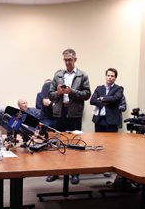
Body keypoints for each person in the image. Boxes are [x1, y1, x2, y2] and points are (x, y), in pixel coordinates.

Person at [47, 48, 91, 184]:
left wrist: (72, 92)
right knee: (57, 142)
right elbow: (50, 95)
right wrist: (59, 93)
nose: (67, 62)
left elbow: (87, 94)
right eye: (65, 60)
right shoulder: (58, 75)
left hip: (74, 113)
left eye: (70, 60)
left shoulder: (82, 75)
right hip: (60, 112)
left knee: (75, 142)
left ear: (75, 60)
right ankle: (56, 171)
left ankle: (74, 173)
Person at [90, 68, 124, 132]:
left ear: (115, 77)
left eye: (112, 76)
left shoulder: (119, 88)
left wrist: (102, 98)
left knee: (111, 141)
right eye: (108, 75)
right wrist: (104, 102)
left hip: (112, 121)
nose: (110, 77)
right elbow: (92, 100)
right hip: (99, 120)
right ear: (106, 76)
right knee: (98, 141)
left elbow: (115, 99)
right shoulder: (99, 88)